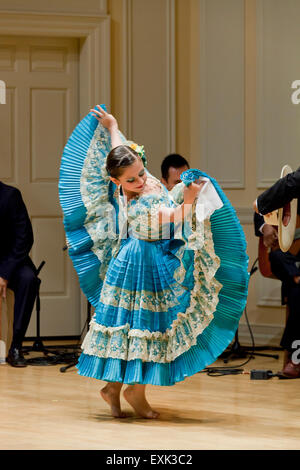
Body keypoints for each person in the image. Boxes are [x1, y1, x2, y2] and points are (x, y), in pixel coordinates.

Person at [59, 105, 249, 419]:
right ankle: (132, 390)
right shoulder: (137, 205)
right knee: (138, 326)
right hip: (140, 264)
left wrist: (112, 126)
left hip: (142, 259)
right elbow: (172, 216)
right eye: (131, 179)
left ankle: (114, 389)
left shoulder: (136, 173)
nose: (140, 179)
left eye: (141, 173)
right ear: (116, 181)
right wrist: (187, 200)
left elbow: (123, 148)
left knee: (133, 326)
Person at [254, 209, 300, 378]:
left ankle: (295, 358)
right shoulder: (288, 190)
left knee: (296, 292)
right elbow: (259, 207)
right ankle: (296, 276)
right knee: (277, 256)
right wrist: (265, 226)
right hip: (290, 260)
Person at [0, 182, 38, 367]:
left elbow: (25, 237)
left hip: (11, 261)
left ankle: (15, 346)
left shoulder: (10, 195)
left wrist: (4, 273)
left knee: (28, 280)